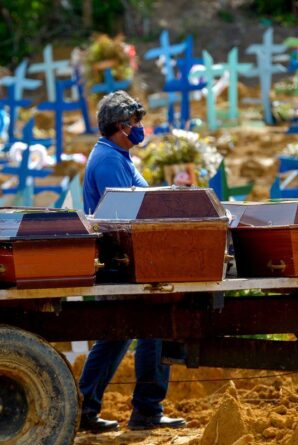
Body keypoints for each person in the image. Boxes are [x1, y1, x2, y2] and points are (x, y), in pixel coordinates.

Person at [79, 90, 187, 432]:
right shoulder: (110, 160)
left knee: (116, 336)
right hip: (124, 260)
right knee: (152, 327)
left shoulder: (118, 155)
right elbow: (127, 214)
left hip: (127, 258)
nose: (140, 128)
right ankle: (147, 411)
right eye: (135, 122)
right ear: (119, 126)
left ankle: (85, 408)